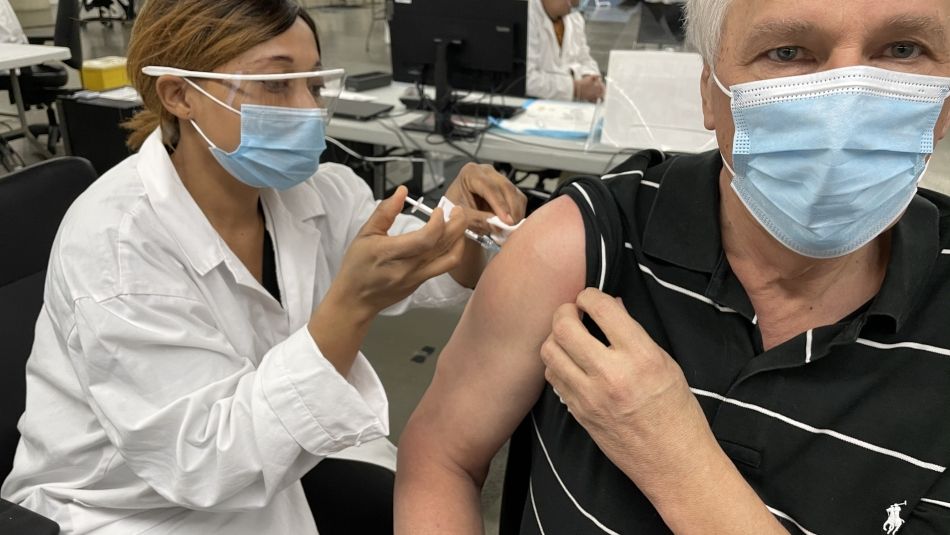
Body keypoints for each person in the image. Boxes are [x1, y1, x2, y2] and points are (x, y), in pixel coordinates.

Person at [395, 0, 950, 533]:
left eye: (902, 49)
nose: (847, 96)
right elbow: (441, 458)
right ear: (710, 92)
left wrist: (678, 463)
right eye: (787, 52)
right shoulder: (580, 247)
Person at [0, 1, 525, 533]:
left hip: (261, 465)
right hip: (129, 506)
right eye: (277, 85)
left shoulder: (309, 191)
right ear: (181, 94)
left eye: (313, 86)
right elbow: (200, 464)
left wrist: (459, 223)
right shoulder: (117, 245)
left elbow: (417, 263)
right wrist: (351, 305)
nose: (305, 109)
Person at [527, 0, 605, 102]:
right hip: (535, 106)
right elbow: (527, 80)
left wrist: (591, 79)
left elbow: (585, 59)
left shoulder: (574, 18)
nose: (576, 3)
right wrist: (575, 88)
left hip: (572, 106)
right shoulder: (528, 17)